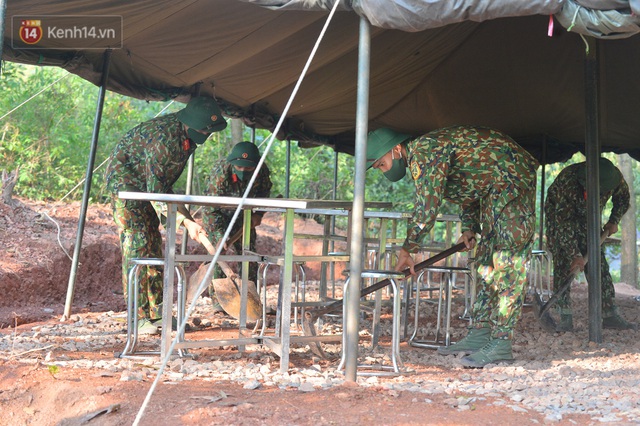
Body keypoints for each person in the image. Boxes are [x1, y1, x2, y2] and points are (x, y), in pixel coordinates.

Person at [366, 125, 538, 368]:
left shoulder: (425, 151)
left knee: (509, 263)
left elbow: (428, 206)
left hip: (512, 180)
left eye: (380, 163)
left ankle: (501, 343)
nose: (380, 169)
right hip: (493, 188)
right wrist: (469, 226)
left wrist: (409, 249)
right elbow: (469, 184)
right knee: (485, 262)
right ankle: (480, 332)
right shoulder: (422, 156)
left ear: (396, 149)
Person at [104, 96, 227, 335]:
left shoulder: (186, 137)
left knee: (154, 250)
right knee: (138, 248)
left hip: (151, 189)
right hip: (128, 191)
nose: (207, 134)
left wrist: (188, 218)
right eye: (204, 130)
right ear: (192, 124)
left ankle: (158, 315)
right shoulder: (164, 140)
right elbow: (155, 191)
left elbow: (162, 187)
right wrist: (184, 222)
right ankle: (136, 319)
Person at [543, 157, 635, 332]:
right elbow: (564, 223)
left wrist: (613, 220)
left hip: (591, 222)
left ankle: (609, 314)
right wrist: (575, 255)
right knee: (564, 266)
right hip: (559, 221)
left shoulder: (612, 177)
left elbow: (623, 199)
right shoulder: (568, 181)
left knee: (598, 266)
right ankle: (565, 318)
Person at [201, 141, 272, 308]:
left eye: (248, 168)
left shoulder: (262, 170)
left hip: (244, 215)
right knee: (220, 254)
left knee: (248, 254)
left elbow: (264, 192)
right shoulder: (220, 174)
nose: (243, 171)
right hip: (218, 215)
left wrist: (258, 214)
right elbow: (210, 208)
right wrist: (219, 236)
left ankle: (250, 299)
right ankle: (220, 302)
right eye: (239, 167)